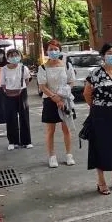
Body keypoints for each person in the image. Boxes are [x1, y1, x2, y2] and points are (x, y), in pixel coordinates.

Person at [85, 42, 112, 194]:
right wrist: (96, 107)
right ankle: (101, 181)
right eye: (110, 53)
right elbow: (87, 94)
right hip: (99, 114)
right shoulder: (95, 73)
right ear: (103, 56)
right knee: (101, 146)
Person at [37, 39, 76, 168]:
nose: (53, 51)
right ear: (46, 51)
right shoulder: (42, 68)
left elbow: (71, 81)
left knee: (66, 128)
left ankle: (69, 154)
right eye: (50, 49)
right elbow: (42, 86)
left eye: (55, 49)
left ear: (60, 50)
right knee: (50, 130)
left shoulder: (67, 65)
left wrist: (61, 95)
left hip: (65, 99)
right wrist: (54, 97)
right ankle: (52, 156)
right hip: (49, 100)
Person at [1, 48, 32, 150]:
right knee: (11, 118)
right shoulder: (4, 69)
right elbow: (3, 84)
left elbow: (27, 80)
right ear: (8, 57)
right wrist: (9, 91)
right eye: (11, 56)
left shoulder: (24, 68)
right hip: (8, 95)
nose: (14, 57)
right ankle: (12, 141)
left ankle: (26, 141)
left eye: (16, 55)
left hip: (22, 93)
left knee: (24, 116)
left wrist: (20, 89)